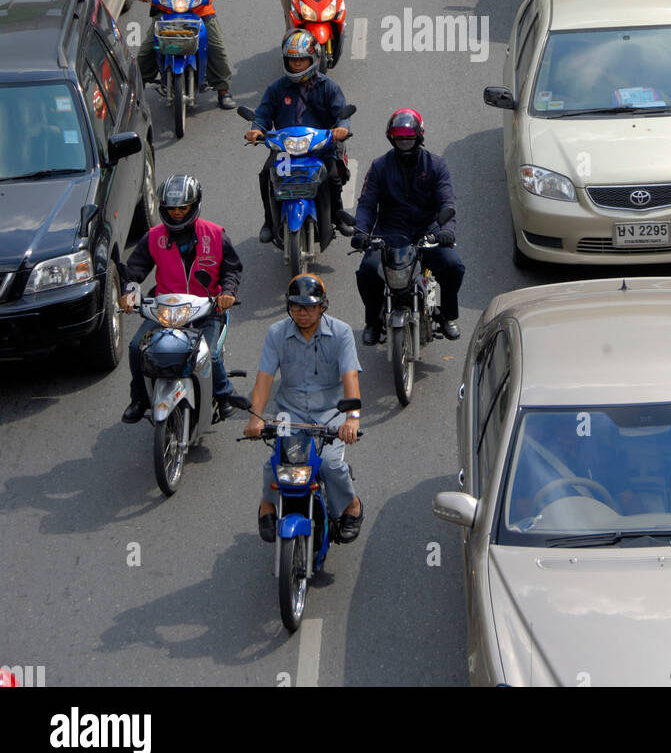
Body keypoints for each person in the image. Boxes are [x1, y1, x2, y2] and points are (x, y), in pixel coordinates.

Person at [243, 275, 363, 544]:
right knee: (275, 464)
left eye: (309, 307)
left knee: (331, 464)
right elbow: (264, 378)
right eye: (296, 306)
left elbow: (350, 377)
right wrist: (255, 417)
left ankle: (351, 505)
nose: (303, 313)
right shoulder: (276, 333)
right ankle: (268, 506)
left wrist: (352, 419)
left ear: (323, 306)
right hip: (291, 413)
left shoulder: (342, 333)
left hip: (330, 414)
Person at [120, 174, 245, 423]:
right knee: (136, 348)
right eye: (171, 208)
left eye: (182, 208)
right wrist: (129, 293)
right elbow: (134, 270)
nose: (176, 213)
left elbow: (232, 269)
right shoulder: (154, 237)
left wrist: (228, 293)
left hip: (206, 309)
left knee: (209, 355)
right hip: (166, 309)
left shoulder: (215, 234)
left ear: (194, 205)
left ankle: (223, 394)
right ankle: (139, 398)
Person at [351, 110, 464, 344]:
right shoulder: (380, 167)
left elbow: (447, 201)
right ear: (392, 139)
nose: (404, 142)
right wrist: (361, 232)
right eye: (399, 138)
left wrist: (446, 231)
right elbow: (367, 204)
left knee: (453, 266)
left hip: (428, 231)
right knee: (367, 272)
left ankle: (447, 316)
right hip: (390, 232)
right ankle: (372, 321)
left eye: (409, 138)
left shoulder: (436, 165)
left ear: (419, 137)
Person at [245, 29, 356, 242]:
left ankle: (337, 216)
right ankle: (269, 221)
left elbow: (341, 113)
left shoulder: (328, 87)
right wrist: (257, 129)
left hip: (320, 147)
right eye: (293, 60)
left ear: (313, 59)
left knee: (332, 177)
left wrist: (341, 128)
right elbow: (263, 113)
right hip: (285, 149)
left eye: (302, 60)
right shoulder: (277, 88)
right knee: (267, 174)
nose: (297, 65)